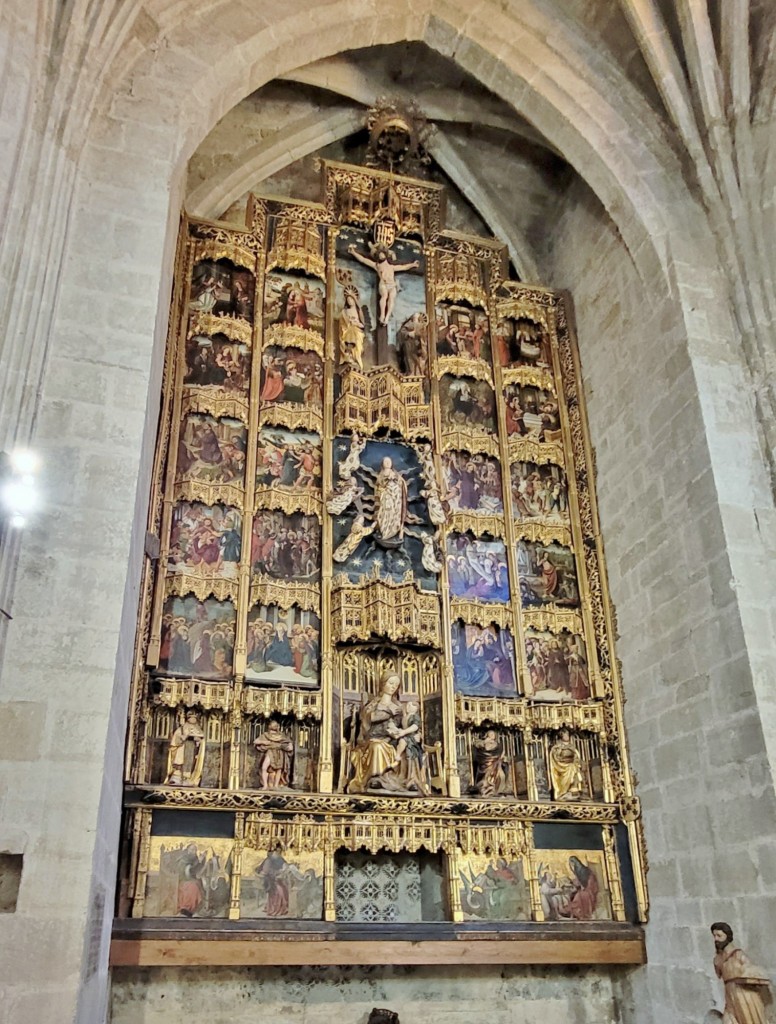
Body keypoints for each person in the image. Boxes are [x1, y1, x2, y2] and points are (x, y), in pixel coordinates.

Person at [711, 922, 771, 1024]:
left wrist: (741, 972)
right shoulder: (718, 959)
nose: (716, 939)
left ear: (727, 936)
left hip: (745, 996)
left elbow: (752, 971)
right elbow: (719, 974)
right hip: (730, 998)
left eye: (719, 936)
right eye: (714, 936)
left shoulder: (737, 954)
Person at [348, 244, 419, 325]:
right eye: (379, 255)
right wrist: (353, 253)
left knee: (391, 299)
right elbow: (363, 260)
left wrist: (412, 265)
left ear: (385, 255)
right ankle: (382, 315)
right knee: (384, 296)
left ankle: (387, 317)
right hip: (384, 284)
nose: (381, 256)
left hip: (392, 285)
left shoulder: (392, 267)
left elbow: (403, 267)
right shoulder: (377, 265)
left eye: (382, 254)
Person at [254, 720, 294, 789]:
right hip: (270, 752)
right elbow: (256, 741)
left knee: (279, 769)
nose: (274, 726)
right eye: (273, 725)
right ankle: (265, 785)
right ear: (269, 726)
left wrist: (290, 746)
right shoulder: (266, 735)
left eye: (275, 725)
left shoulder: (281, 735)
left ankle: (275, 786)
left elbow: (289, 742)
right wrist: (264, 742)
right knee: (264, 767)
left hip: (279, 752)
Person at [549, 729, 585, 800]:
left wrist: (576, 761)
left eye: (568, 735)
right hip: (562, 767)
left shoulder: (572, 747)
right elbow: (555, 758)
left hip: (572, 765)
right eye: (565, 735)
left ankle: (573, 790)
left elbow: (576, 756)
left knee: (575, 773)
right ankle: (563, 793)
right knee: (564, 779)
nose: (567, 736)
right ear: (561, 736)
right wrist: (562, 760)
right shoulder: (557, 747)